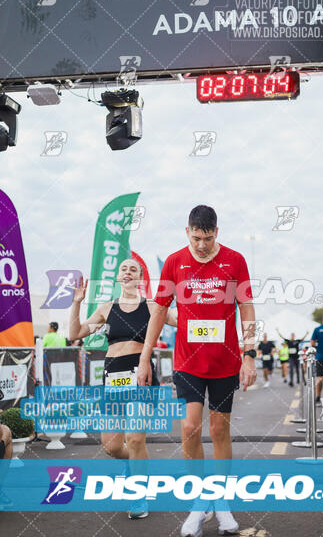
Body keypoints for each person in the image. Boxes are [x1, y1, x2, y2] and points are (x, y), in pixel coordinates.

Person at [137, 205, 256, 537]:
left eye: (207, 238)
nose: (201, 245)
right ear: (186, 231)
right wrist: (145, 357)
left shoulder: (235, 260)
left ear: (217, 232)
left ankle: (221, 500)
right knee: (189, 428)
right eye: (195, 237)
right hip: (187, 361)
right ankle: (199, 501)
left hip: (224, 360)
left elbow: (246, 308)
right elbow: (159, 312)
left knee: (219, 429)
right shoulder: (176, 262)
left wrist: (250, 354)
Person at [69, 258, 177, 519]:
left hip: (140, 373)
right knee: (112, 446)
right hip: (113, 377)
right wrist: (77, 302)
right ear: (118, 277)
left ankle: (139, 494)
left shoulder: (153, 307)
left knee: (135, 437)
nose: (128, 272)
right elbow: (75, 333)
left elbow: (183, 320)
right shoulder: (107, 308)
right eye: (124, 269)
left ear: (141, 278)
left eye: (134, 269)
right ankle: (137, 465)